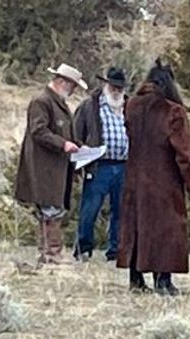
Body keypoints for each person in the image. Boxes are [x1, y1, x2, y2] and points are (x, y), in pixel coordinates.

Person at [117, 59, 190, 296]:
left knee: (136, 226)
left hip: (134, 177)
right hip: (164, 181)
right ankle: (163, 280)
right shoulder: (172, 112)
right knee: (165, 228)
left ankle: (136, 278)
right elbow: (185, 153)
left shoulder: (131, 106)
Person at [14, 63, 87, 265]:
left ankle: (47, 254)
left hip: (56, 166)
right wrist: (63, 144)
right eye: (72, 86)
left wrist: (78, 146)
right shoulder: (42, 101)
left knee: (52, 209)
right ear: (62, 82)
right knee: (51, 210)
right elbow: (38, 131)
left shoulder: (57, 102)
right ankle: (52, 254)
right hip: (43, 166)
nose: (73, 91)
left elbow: (64, 132)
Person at [73, 67, 130, 262]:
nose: (116, 91)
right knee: (90, 209)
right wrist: (84, 153)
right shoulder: (90, 106)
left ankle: (116, 250)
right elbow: (75, 134)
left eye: (120, 88)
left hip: (123, 165)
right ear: (106, 85)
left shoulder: (129, 106)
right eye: (113, 87)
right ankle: (83, 248)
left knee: (121, 210)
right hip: (99, 165)